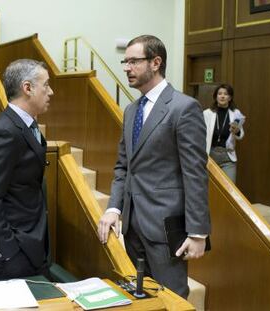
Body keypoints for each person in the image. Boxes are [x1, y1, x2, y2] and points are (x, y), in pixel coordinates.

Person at [97, 35, 210, 298]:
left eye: (133, 61)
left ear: (156, 62)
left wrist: (197, 232)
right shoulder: (131, 110)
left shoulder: (184, 108)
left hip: (165, 227)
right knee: (140, 298)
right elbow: (124, 166)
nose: (126, 68)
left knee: (171, 299)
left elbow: (195, 174)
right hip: (131, 226)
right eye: (125, 61)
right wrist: (114, 207)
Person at [0, 59, 54, 280]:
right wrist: (9, 253)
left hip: (30, 241)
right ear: (27, 88)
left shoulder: (28, 123)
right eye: (46, 85)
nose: (51, 91)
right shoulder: (6, 131)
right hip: (12, 249)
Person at [203, 84, 245, 183]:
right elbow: (201, 134)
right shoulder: (207, 113)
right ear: (216, 97)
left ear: (230, 97)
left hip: (228, 157)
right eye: (220, 94)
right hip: (210, 156)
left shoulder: (236, 113)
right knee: (209, 189)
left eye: (225, 94)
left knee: (230, 190)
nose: (222, 96)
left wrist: (237, 131)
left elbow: (241, 135)